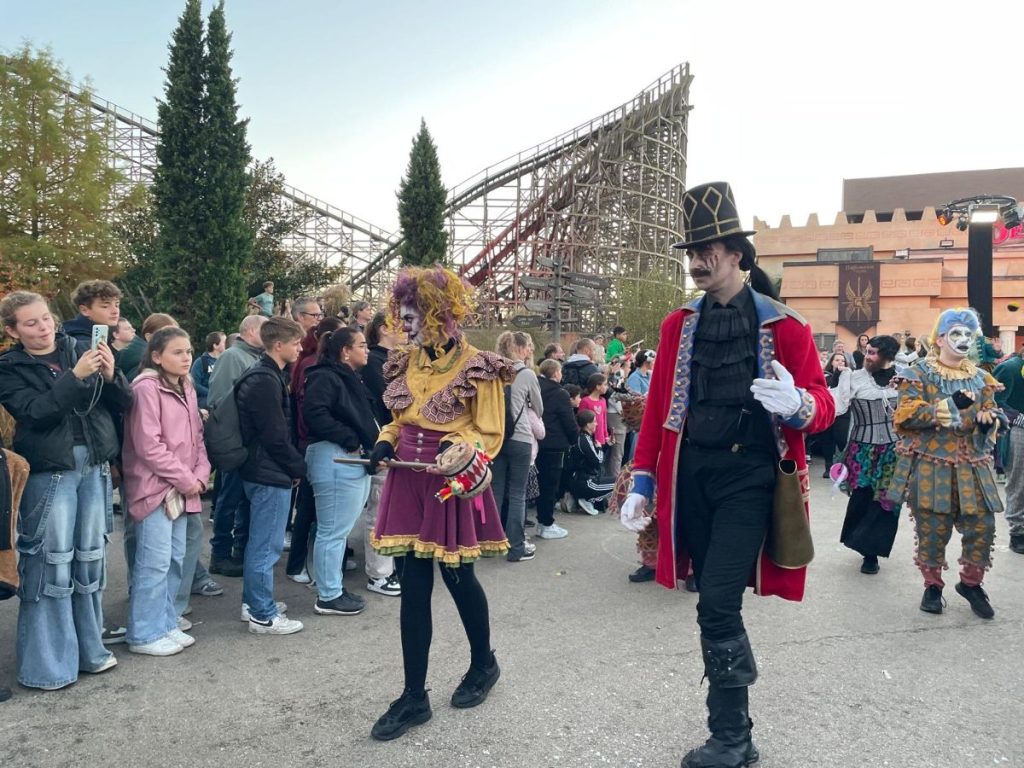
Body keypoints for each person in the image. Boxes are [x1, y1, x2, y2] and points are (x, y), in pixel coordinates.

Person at [618, 182, 834, 768]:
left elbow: (822, 402)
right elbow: (662, 400)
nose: (695, 259)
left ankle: (732, 738)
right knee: (711, 599)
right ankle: (737, 732)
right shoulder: (676, 325)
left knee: (716, 601)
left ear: (736, 253)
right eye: (690, 249)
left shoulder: (785, 328)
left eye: (706, 247)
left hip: (750, 476)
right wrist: (643, 479)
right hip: (694, 477)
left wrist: (799, 405)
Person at [367, 266, 513, 741]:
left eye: (411, 316)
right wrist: (385, 442)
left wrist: (455, 450)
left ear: (438, 314)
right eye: (402, 315)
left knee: (457, 576)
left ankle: (484, 663)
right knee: (412, 584)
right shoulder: (404, 362)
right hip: (407, 481)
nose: (403, 324)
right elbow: (397, 420)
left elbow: (490, 433)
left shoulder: (477, 365)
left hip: (449, 481)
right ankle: (414, 696)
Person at [0, 291, 133, 689]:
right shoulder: (8, 367)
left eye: (45, 318)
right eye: (30, 323)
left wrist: (111, 376)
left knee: (90, 558)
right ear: (12, 330)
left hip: (93, 465)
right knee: (49, 563)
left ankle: (89, 653)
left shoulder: (79, 345)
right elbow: (35, 414)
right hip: (49, 471)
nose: (43, 328)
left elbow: (123, 401)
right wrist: (75, 377)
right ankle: (48, 666)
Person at [886, 308, 1005, 619]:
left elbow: (993, 414)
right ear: (939, 338)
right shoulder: (917, 373)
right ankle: (933, 586)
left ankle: (971, 583)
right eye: (956, 333)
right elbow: (906, 415)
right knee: (933, 528)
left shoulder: (981, 378)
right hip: (932, 463)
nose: (964, 340)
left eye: (969, 334)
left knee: (983, 525)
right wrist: (949, 405)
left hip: (972, 463)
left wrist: (987, 419)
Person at [122, 327, 210, 656]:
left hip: (184, 486)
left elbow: (197, 438)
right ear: (157, 356)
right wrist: (187, 479)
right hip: (156, 488)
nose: (186, 357)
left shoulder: (186, 386)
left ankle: (166, 622)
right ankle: (144, 633)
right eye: (177, 352)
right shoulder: (146, 388)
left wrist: (201, 473)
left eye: (188, 351)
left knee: (175, 559)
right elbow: (148, 445)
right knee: (154, 562)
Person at [235, 317, 307, 634]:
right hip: (268, 472)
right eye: (296, 343)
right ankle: (262, 614)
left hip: (262, 469)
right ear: (279, 345)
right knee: (266, 546)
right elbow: (275, 435)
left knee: (260, 543)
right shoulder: (265, 379)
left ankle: (255, 604)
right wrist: (297, 468)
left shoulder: (265, 374)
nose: (300, 348)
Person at [303, 327, 379, 616]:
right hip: (336, 457)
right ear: (345, 351)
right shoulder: (325, 376)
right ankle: (328, 595)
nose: (366, 349)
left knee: (338, 529)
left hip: (348, 458)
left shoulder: (344, 377)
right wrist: (349, 440)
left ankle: (332, 587)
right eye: (361, 345)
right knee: (333, 530)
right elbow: (315, 413)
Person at [831, 335, 901, 575]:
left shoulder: (903, 378)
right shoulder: (853, 377)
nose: (867, 356)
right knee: (862, 497)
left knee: (887, 501)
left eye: (873, 353)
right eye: (867, 351)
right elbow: (838, 407)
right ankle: (862, 545)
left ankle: (872, 553)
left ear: (888, 357)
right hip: (862, 449)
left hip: (893, 449)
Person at [206, 315, 267, 577]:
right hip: (236, 443)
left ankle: (240, 550)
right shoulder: (233, 357)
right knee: (229, 499)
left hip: (249, 444)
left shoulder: (253, 356)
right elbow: (219, 400)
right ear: (252, 330)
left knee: (243, 501)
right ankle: (220, 554)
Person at [285, 316, 344, 585]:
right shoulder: (315, 367)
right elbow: (311, 411)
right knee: (313, 510)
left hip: (307, 441)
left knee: (312, 509)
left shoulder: (310, 364)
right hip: (312, 442)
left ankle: (304, 563)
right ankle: (302, 565)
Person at [355, 311, 402, 596]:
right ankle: (379, 573)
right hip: (383, 441)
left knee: (391, 508)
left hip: (398, 442)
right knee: (379, 507)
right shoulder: (374, 361)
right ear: (385, 329)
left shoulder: (393, 360)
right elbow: (391, 403)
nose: (408, 330)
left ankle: (390, 565)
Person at [491, 330, 543, 562]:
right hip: (520, 437)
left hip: (497, 437)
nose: (531, 350)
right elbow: (539, 409)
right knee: (517, 494)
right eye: (529, 346)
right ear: (520, 349)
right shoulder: (527, 373)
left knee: (496, 491)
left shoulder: (492, 371)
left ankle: (490, 542)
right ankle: (516, 547)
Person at [536, 359, 576, 539]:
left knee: (538, 484)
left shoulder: (536, 387)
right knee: (550, 486)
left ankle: (541, 521)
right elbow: (569, 421)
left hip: (537, 441)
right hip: (554, 444)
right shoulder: (560, 393)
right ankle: (546, 523)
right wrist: (574, 439)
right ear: (555, 373)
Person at [994, 344, 1024, 554]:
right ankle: (1018, 531)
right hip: (1019, 429)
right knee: (1019, 480)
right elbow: (993, 399)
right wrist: (1015, 416)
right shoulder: (1010, 368)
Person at [566, 410, 616, 515]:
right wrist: (600, 449)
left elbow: (592, 458)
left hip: (581, 480)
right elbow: (597, 461)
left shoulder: (584, 437)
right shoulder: (584, 439)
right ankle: (587, 498)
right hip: (586, 482)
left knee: (616, 482)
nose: (596, 424)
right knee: (620, 482)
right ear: (588, 424)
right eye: (594, 421)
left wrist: (606, 445)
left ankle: (580, 498)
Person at [810, 352, 850, 476]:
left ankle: (844, 467)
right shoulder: (825, 376)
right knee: (827, 440)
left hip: (842, 412)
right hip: (828, 412)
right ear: (831, 362)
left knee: (842, 440)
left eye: (842, 361)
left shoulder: (848, 375)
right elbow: (831, 385)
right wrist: (837, 373)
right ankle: (828, 467)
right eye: (837, 360)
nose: (840, 362)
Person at [59, 280, 122, 355]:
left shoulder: (102, 334)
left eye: (117, 305)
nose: (115, 311)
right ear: (84, 310)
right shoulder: (82, 344)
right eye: (105, 306)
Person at [120, 313, 177, 381]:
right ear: (149, 337)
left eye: (177, 334)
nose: (175, 340)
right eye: (168, 335)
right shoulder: (144, 364)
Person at [190, 331, 225, 411]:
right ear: (215, 345)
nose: (226, 344)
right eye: (224, 342)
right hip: (206, 399)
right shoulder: (201, 362)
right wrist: (211, 393)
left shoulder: (225, 360)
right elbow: (195, 384)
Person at [579, 373, 609, 448]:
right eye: (605, 385)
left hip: (600, 437)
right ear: (598, 386)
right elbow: (581, 421)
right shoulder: (585, 401)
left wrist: (606, 435)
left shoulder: (603, 400)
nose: (607, 387)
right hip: (590, 438)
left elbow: (604, 419)